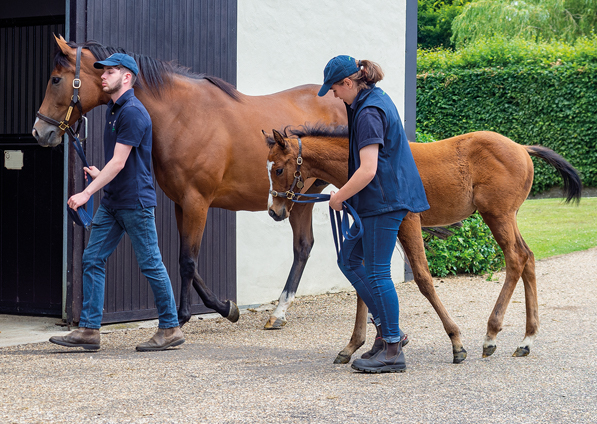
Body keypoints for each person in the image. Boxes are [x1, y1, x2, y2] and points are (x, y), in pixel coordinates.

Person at [50, 53, 184, 352]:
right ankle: (88, 330)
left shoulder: (134, 112)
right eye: (102, 72)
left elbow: (120, 162)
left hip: (135, 203)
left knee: (151, 263)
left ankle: (170, 327)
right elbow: (118, 164)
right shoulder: (114, 110)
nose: (103, 77)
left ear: (127, 77)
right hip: (113, 202)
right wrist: (101, 176)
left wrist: (88, 192)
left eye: (110, 72)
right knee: (92, 259)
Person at [318, 55, 429, 372]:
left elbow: (368, 170)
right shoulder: (371, 101)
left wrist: (340, 195)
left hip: (384, 200)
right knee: (349, 259)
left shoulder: (368, 112)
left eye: (336, 89)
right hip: (378, 200)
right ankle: (388, 334)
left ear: (349, 83)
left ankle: (392, 348)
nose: (335, 96)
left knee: (379, 272)